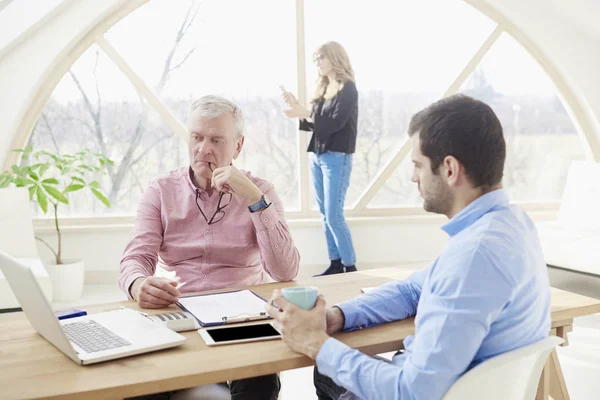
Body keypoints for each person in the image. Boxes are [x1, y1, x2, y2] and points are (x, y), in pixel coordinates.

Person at [266, 94, 551, 400]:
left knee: (327, 359)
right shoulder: (510, 223)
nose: (414, 177)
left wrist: (314, 343)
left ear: (450, 169)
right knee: (327, 369)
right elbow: (414, 290)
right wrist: (339, 316)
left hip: (418, 392)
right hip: (454, 385)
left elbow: (411, 392)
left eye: (418, 165)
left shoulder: (474, 256)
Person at [119, 95, 300, 400]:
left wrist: (255, 200)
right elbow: (136, 257)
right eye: (197, 137)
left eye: (216, 139)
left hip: (243, 317)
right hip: (179, 312)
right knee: (139, 387)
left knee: (259, 387)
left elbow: (285, 271)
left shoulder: (261, 191)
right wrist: (138, 284)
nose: (204, 149)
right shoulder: (161, 191)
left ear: (238, 146)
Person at [282, 41, 358, 275]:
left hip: (337, 156)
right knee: (325, 214)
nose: (317, 63)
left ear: (334, 58)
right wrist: (298, 109)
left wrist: (305, 112)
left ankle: (350, 266)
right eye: (315, 59)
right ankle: (335, 263)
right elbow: (314, 125)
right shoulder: (324, 88)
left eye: (320, 58)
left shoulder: (348, 88)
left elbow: (335, 122)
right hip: (318, 154)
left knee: (334, 214)